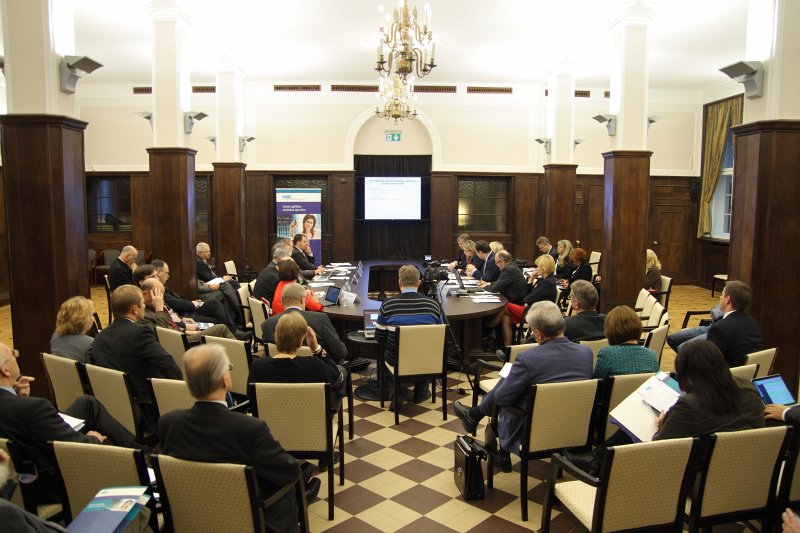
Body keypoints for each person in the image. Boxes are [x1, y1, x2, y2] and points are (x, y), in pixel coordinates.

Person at [157, 344, 316, 533]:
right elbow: (288, 472)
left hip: (191, 516)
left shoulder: (167, 422)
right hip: (250, 520)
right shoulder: (250, 429)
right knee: (294, 476)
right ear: (225, 380)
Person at [565, 340, 764, 476]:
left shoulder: (691, 405)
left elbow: (659, 449)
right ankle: (598, 458)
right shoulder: (748, 388)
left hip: (697, 474)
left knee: (642, 422)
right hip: (747, 469)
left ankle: (599, 460)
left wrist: (662, 423)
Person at [453, 301, 593, 471]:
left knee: (510, 385)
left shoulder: (528, 358)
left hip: (531, 428)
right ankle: (474, 416)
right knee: (518, 381)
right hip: (575, 425)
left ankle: (494, 441)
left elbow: (502, 398)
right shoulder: (586, 353)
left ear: (538, 334)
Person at [0, 342, 142, 504]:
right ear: (6, 370)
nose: (16, 355)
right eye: (13, 353)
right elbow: (77, 448)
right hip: (51, 482)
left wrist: (18, 398)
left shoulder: (24, 407)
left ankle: (140, 454)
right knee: (97, 437)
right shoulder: (34, 408)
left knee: (87, 404)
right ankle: (142, 463)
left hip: (19, 475)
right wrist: (94, 439)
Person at [90, 285, 182, 430]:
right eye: (142, 303)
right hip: (149, 409)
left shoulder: (100, 338)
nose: (145, 305)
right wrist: (182, 392)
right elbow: (167, 363)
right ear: (135, 309)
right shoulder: (139, 333)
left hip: (114, 410)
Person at [375, 265, 444, 408]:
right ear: (419, 283)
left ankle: (396, 394)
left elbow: (379, 337)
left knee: (385, 352)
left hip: (397, 361)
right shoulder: (434, 305)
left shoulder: (387, 305)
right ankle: (421, 392)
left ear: (399, 282)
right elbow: (440, 335)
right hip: (427, 361)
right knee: (423, 348)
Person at [249, 312, 346, 413]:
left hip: (268, 427)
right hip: (312, 426)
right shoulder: (314, 365)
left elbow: (251, 399)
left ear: (276, 336)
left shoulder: (258, 366)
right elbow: (336, 376)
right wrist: (316, 348)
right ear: (301, 341)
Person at [151, 259, 242, 335]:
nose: (168, 276)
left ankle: (234, 328)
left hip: (189, 310)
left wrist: (193, 302)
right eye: (167, 273)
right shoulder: (157, 289)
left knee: (216, 303)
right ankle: (234, 330)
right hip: (186, 314)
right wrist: (192, 304)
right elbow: (175, 304)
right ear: (159, 272)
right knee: (218, 318)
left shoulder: (162, 287)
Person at [261, 283, 347, 362]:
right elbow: (339, 353)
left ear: (282, 302)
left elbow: (268, 356)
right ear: (303, 300)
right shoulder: (320, 319)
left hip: (279, 374)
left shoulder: (267, 324)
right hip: (316, 373)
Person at [139, 278, 244, 342]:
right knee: (221, 328)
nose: (160, 298)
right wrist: (159, 309)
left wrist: (184, 327)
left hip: (182, 331)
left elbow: (172, 321)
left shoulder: (157, 305)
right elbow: (163, 335)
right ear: (144, 294)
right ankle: (242, 357)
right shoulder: (144, 313)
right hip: (179, 342)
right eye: (158, 294)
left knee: (216, 306)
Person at [499, 254, 558, 348]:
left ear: (544, 267)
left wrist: (527, 298)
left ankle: (489, 327)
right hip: (532, 308)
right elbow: (527, 295)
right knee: (505, 319)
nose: (536, 268)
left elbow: (528, 298)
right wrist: (531, 279)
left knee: (506, 306)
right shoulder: (543, 280)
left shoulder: (548, 283)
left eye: (538, 266)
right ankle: (508, 349)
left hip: (537, 313)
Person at [593, 306, 660, 379]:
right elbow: (665, 381)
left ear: (610, 330)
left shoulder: (607, 354)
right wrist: (674, 384)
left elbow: (597, 383)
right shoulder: (651, 354)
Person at [705, 280, 762, 367]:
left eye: (722, 294)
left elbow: (709, 364)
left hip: (725, 377)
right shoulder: (753, 323)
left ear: (727, 299)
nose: (720, 297)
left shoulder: (719, 328)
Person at [479, 250, 528, 349]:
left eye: (496, 262)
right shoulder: (511, 266)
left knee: (501, 309)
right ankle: (506, 349)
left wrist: (483, 287)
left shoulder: (508, 270)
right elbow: (498, 283)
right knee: (505, 318)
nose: (496, 265)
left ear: (502, 261)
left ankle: (487, 329)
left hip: (517, 302)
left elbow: (494, 289)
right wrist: (487, 284)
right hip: (514, 300)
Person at [195, 242, 243, 325]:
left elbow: (212, 275)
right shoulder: (198, 262)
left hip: (211, 284)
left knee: (231, 284)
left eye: (209, 251)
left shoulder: (203, 260)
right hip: (207, 290)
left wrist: (221, 279)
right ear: (199, 253)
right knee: (226, 286)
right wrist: (222, 279)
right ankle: (240, 312)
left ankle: (236, 316)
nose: (209, 253)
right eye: (207, 252)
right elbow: (208, 278)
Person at [50, 296, 95, 363]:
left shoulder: (55, 337)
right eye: (91, 315)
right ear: (82, 320)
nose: (93, 319)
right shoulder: (91, 343)